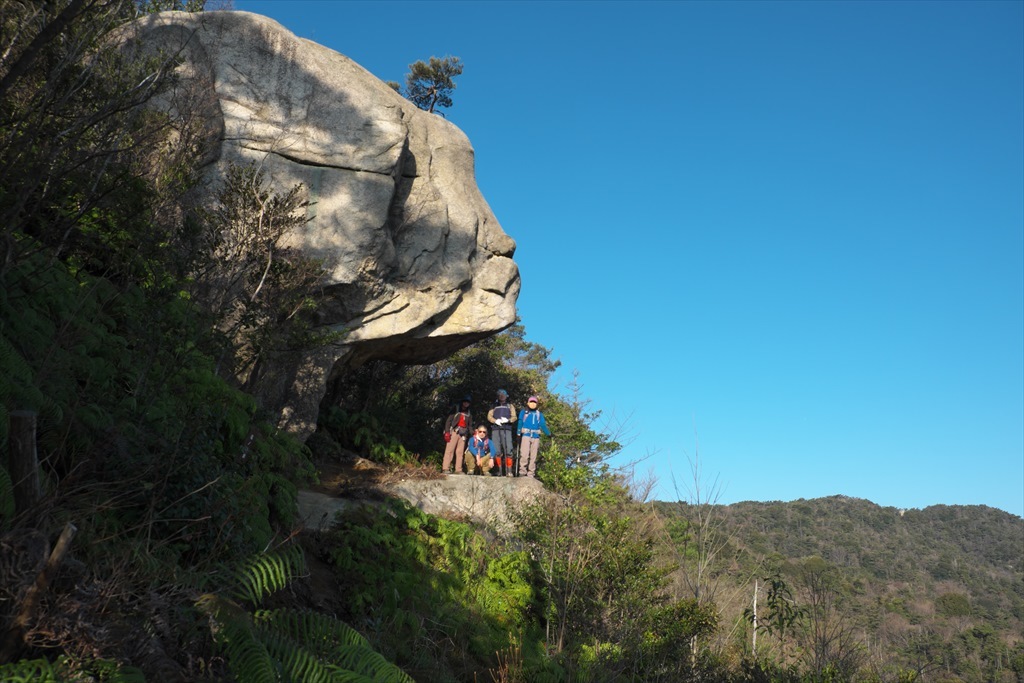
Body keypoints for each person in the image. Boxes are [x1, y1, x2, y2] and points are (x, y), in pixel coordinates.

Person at [516, 396, 550, 479]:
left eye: (534, 402)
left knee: (533, 456)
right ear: (528, 403)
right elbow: (520, 422)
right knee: (524, 454)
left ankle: (531, 473)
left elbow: (543, 425)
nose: (533, 404)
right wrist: (518, 433)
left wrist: (548, 433)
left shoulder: (539, 414)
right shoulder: (523, 412)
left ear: (537, 404)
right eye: (531, 402)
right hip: (526, 435)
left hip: (536, 436)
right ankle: (522, 471)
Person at [487, 389, 517, 476]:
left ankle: (509, 471)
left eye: (503, 395)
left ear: (506, 396)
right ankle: (498, 471)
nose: (502, 396)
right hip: (496, 429)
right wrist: (495, 421)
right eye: (500, 395)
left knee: (508, 449)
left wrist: (508, 420)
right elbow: (489, 416)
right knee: (496, 450)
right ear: (498, 396)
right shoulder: (493, 406)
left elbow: (514, 417)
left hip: (506, 429)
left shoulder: (510, 406)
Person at [442, 397, 472, 474]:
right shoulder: (456, 410)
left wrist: (473, 433)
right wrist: (447, 432)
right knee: (449, 450)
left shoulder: (468, 413)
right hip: (454, 431)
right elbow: (448, 421)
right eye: (465, 401)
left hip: (463, 434)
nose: (466, 403)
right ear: (462, 402)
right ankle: (445, 468)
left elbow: (469, 426)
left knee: (460, 452)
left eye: (468, 402)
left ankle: (458, 469)